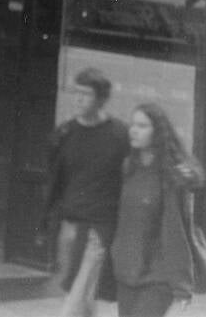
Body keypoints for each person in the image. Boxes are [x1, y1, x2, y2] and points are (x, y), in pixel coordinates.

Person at [43, 67, 130, 317]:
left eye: (86, 94)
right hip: (70, 226)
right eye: (76, 93)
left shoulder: (119, 133)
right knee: (80, 290)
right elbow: (56, 180)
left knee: (80, 293)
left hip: (99, 228)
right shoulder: (65, 132)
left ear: (101, 99)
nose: (79, 99)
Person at [110, 102, 205, 317]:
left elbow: (175, 232)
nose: (134, 130)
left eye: (142, 126)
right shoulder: (128, 168)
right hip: (127, 273)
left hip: (157, 277)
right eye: (133, 124)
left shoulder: (170, 176)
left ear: (158, 132)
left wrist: (182, 286)